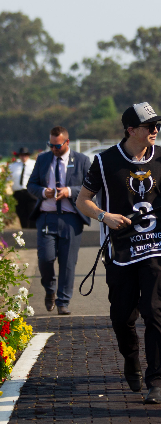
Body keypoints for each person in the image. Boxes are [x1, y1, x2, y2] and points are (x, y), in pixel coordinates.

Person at [76, 102, 161, 404]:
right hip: (119, 248)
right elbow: (82, 201)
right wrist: (104, 216)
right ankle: (131, 358)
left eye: (158, 125)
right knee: (122, 317)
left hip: (155, 245)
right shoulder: (104, 161)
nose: (155, 130)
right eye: (149, 126)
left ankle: (157, 379)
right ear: (131, 130)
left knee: (154, 310)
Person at [26, 127, 91, 315]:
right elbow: (31, 185)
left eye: (57, 145)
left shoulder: (82, 160)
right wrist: (42, 192)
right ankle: (49, 289)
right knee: (45, 259)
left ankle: (63, 301)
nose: (53, 148)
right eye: (51, 145)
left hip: (71, 219)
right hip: (46, 217)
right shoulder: (43, 159)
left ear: (67, 142)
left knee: (68, 262)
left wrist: (69, 192)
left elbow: (91, 187)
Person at [9, 147, 37, 229]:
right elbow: (9, 178)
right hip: (19, 193)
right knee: (21, 213)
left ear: (28, 155)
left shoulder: (34, 164)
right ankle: (25, 231)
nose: (23, 157)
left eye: (25, 155)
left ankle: (33, 232)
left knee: (32, 212)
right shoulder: (14, 166)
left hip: (31, 192)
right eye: (21, 155)